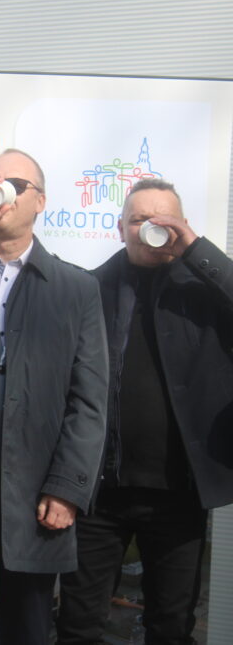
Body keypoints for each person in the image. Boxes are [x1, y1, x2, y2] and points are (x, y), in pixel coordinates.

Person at [0, 150, 108, 645]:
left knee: (27, 627)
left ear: (41, 201)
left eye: (14, 183)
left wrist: (67, 487)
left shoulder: (76, 288)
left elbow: (89, 399)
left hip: (36, 486)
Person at [57, 178, 233, 645]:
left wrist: (195, 250)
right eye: (138, 220)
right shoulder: (90, 287)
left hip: (178, 493)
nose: (150, 230)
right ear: (119, 229)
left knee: (171, 628)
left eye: (163, 220)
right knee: (77, 626)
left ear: (182, 226)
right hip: (97, 493)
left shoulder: (205, 291)